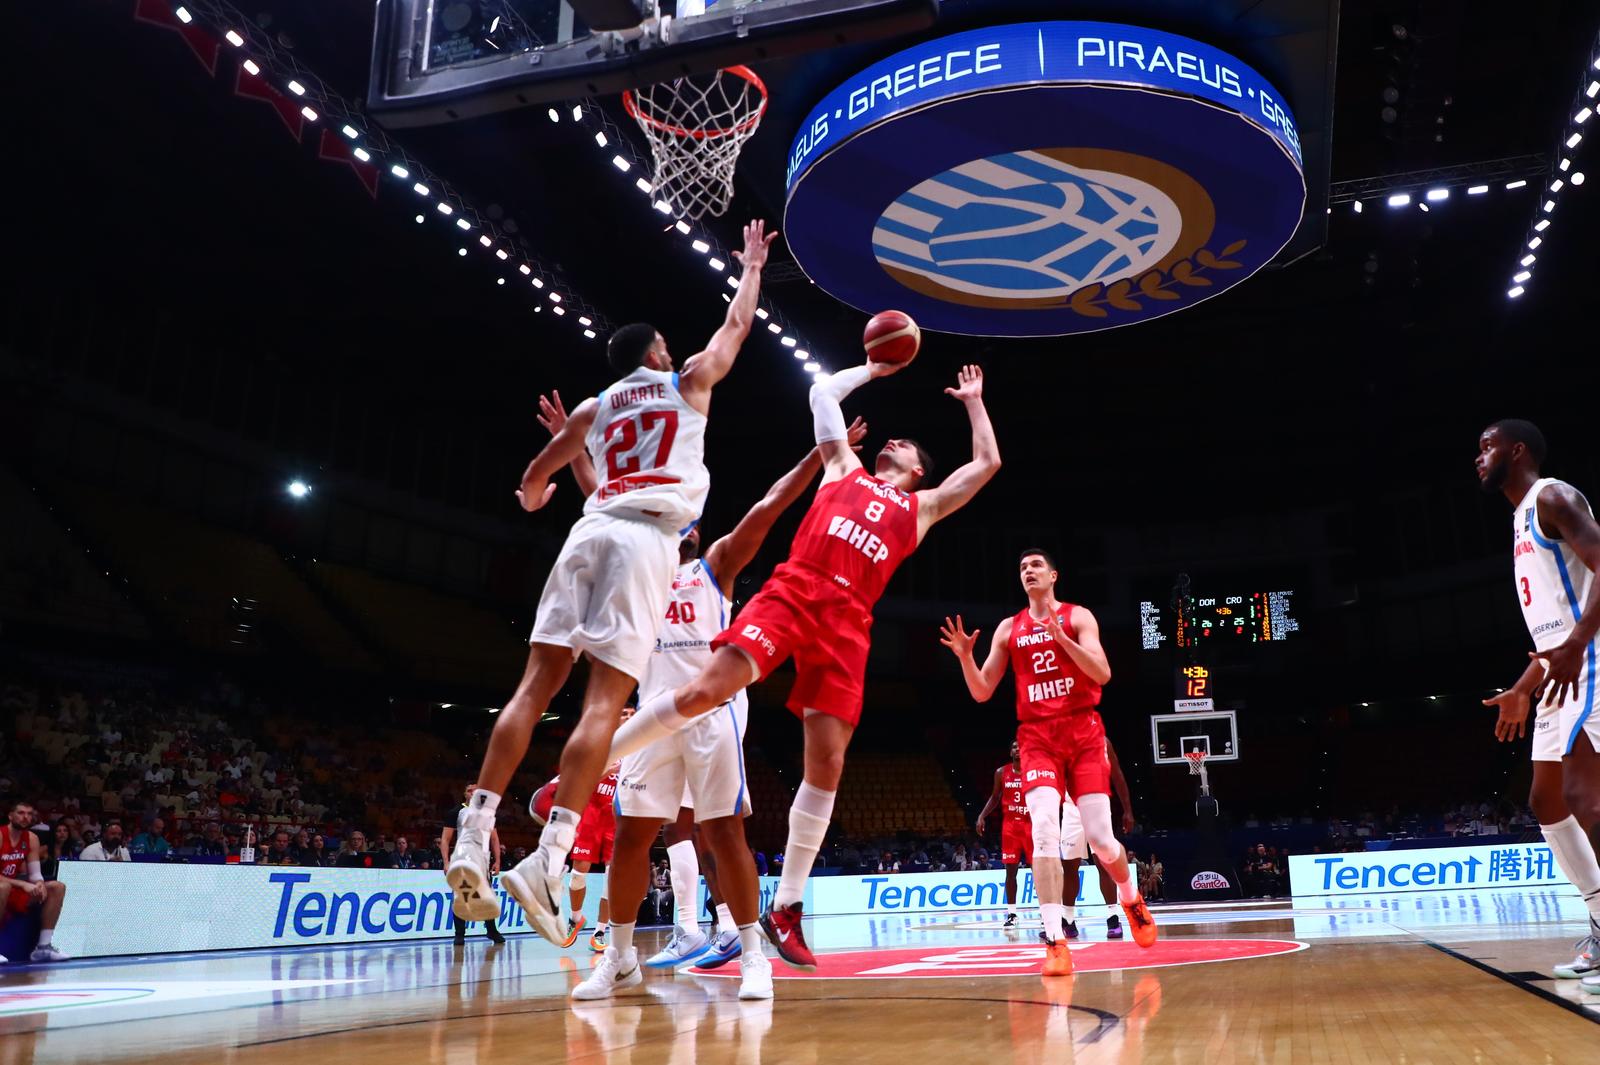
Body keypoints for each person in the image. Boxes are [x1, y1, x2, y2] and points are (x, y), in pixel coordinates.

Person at [607, 361, 1000, 970]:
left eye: (904, 445)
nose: (891, 441)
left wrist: (974, 402)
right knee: (709, 689)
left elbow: (985, 467)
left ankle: (786, 907)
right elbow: (821, 391)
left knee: (829, 763)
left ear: (919, 469)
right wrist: (875, 367)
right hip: (797, 589)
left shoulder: (920, 507)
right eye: (889, 440)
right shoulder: (842, 466)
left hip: (850, 620)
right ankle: (586, 768)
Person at [448, 219, 778, 940]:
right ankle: (550, 855)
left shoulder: (597, 409)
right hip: (646, 540)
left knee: (534, 686)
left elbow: (533, 484)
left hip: (587, 531)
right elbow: (737, 324)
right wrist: (751, 264)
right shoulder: (687, 380)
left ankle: (474, 825)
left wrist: (542, 487)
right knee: (603, 702)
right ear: (657, 352)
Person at [542, 401, 869, 998]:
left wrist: (821, 454)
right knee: (635, 836)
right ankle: (618, 956)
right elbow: (602, 505)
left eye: (688, 522)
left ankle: (752, 955)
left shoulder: (715, 566)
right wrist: (578, 449)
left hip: (712, 716)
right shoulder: (638, 571)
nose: (683, 527)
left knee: (724, 834)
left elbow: (769, 507)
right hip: (651, 719)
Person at [941, 549, 1155, 977]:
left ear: (1053, 575)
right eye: (1022, 568)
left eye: (1036, 566)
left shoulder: (1078, 617)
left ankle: (1130, 897)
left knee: (1101, 840)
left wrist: (1062, 639)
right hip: (1038, 737)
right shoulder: (1009, 628)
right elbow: (982, 691)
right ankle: (1055, 941)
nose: (1028, 571)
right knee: (1043, 834)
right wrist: (966, 657)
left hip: (1083, 732)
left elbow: (1103, 673)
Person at [1476, 419, 1600, 986]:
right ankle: (1599, 922)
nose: (1479, 458)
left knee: (1584, 794)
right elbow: (1554, 622)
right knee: (1546, 800)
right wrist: (1524, 687)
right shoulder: (1519, 517)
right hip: (1559, 667)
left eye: (1487, 447)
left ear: (1517, 450)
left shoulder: (1552, 495)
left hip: (1590, 660)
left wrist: (1575, 646)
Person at [975, 738, 1039, 930]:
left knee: (1039, 871)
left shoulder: (1034, 772)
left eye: (1021, 747)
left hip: (1031, 825)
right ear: (1010, 752)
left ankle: (1046, 913)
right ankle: (1012, 913)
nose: (1018, 749)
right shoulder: (1001, 772)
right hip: (1010, 827)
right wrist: (981, 816)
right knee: (1010, 872)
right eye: (1014, 747)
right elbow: (995, 797)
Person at [1, 802, 70, 962]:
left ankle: (43, 947)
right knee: (3, 887)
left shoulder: (32, 838)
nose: (26, 817)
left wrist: (39, 882)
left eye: (29, 814)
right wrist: (22, 884)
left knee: (56, 887)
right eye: (21, 813)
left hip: (12, 888)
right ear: (10, 816)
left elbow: (35, 873)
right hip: (5, 886)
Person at [441, 785, 506, 945]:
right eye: (470, 790)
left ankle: (491, 930)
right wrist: (446, 862)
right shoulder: (455, 812)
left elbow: (495, 839)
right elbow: (445, 839)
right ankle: (459, 934)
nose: (473, 793)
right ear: (465, 794)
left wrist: (497, 861)